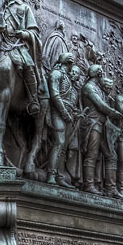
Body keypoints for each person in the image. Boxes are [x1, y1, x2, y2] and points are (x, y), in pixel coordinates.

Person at [80, 64, 122, 197]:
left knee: (111, 156)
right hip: (93, 124)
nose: (102, 74)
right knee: (92, 154)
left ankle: (111, 188)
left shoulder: (98, 88)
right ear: (98, 74)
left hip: (102, 126)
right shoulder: (89, 87)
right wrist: (113, 112)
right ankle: (89, 185)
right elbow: (100, 105)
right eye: (101, 72)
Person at [47, 53, 77, 187]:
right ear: (69, 63)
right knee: (59, 142)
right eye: (72, 63)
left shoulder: (68, 78)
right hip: (58, 112)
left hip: (69, 114)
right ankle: (51, 175)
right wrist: (64, 113)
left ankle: (60, 177)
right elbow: (55, 95)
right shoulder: (56, 74)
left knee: (64, 147)